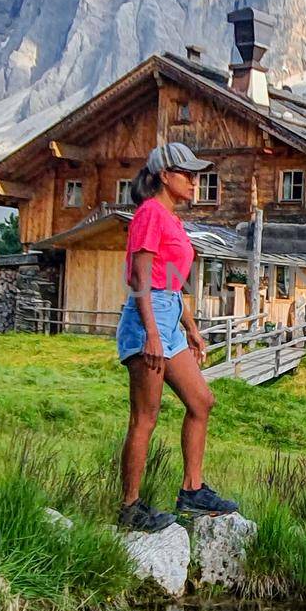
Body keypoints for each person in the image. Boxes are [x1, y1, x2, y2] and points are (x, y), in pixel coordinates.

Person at [116, 142, 238, 531]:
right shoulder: (150, 213)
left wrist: (190, 327)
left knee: (202, 401)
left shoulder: (172, 220)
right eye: (187, 174)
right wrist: (152, 333)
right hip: (146, 319)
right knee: (145, 418)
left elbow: (170, 281)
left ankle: (192, 490)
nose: (194, 181)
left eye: (196, 174)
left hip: (168, 317)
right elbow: (140, 279)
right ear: (164, 176)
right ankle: (130, 506)